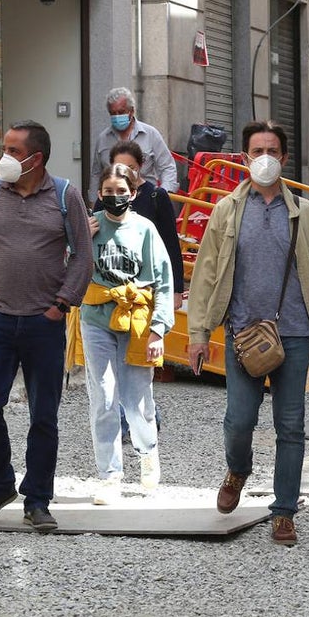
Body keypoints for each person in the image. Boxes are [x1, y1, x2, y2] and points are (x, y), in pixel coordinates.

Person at [186, 120, 309, 546]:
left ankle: (284, 512)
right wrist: (198, 332)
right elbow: (206, 274)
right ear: (245, 157)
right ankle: (238, 469)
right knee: (238, 421)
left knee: (290, 425)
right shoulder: (227, 211)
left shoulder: (304, 214)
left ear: (284, 158)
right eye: (257, 150)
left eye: (273, 150)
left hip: (294, 334)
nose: (265, 158)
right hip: (242, 333)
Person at [0, 120, 93, 531]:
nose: (5, 158)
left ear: (36, 158)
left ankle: (37, 499)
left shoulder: (65, 196)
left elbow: (83, 258)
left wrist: (60, 305)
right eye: (5, 149)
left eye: (14, 151)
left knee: (44, 416)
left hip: (44, 324)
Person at [81, 163, 173, 504]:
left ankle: (148, 453)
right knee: (103, 396)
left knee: (136, 398)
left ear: (133, 194)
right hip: (96, 317)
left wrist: (158, 330)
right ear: (99, 193)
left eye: (122, 192)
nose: (115, 197)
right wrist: (79, 239)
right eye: (108, 191)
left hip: (136, 319)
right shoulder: (89, 226)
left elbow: (162, 280)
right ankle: (109, 474)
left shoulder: (145, 229)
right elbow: (68, 268)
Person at [95, 141, 184, 441]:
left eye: (131, 168)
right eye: (120, 167)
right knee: (112, 372)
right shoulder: (106, 198)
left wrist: (175, 291)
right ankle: (122, 424)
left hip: (143, 296)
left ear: (141, 166)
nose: (124, 174)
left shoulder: (156, 197)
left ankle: (145, 418)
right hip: (109, 298)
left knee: (137, 366)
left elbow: (170, 247)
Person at [92, 86, 178, 196]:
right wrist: (94, 201)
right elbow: (96, 174)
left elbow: (167, 167)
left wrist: (164, 193)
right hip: (113, 201)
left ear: (131, 111)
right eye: (113, 113)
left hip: (146, 198)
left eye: (121, 112)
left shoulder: (150, 134)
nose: (117, 116)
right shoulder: (103, 139)